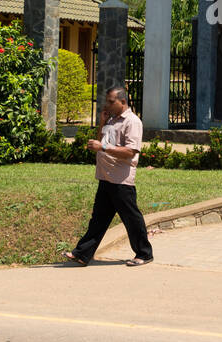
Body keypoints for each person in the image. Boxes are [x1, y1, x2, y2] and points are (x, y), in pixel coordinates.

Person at [63, 87, 154, 267]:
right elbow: (102, 142)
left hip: (121, 180)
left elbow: (130, 151)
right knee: (98, 219)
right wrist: (102, 124)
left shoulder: (132, 122)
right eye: (107, 101)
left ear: (123, 102)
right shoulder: (111, 120)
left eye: (111, 102)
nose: (108, 105)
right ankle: (82, 254)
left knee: (131, 218)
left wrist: (102, 148)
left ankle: (144, 253)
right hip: (105, 177)